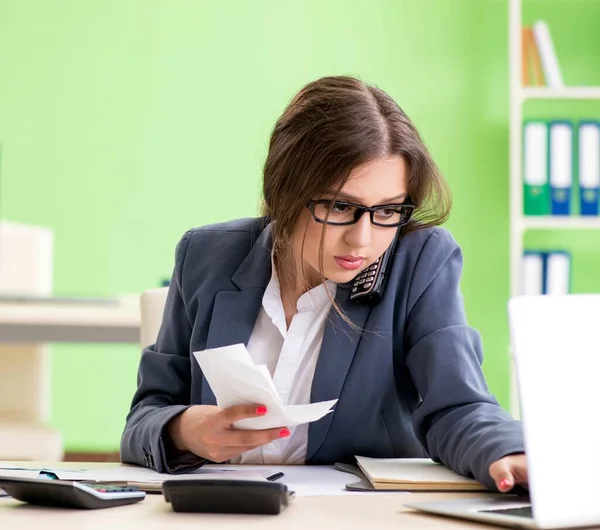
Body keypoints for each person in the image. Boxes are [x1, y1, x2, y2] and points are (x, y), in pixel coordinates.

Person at [120, 75, 526, 493]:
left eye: (387, 211)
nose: (363, 239)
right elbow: (145, 418)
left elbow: (457, 406)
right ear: (285, 190)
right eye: (339, 206)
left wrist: (510, 452)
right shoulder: (206, 256)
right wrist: (185, 431)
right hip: (219, 511)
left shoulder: (419, 260)